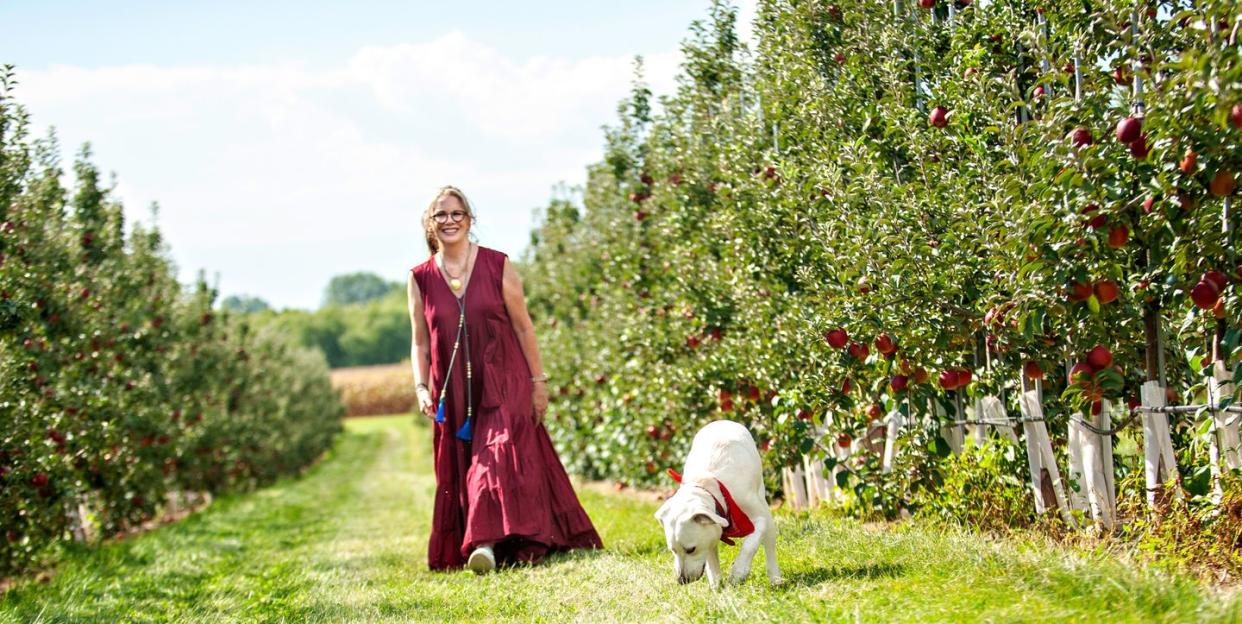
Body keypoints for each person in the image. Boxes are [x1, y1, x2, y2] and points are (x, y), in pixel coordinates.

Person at [407, 185, 603, 573]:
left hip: (504, 378)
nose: (449, 221)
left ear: (470, 220)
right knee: (469, 462)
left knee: (492, 456)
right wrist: (420, 387)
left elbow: (524, 328)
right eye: (440, 215)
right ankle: (521, 538)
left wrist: (538, 381)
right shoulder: (419, 279)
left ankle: (485, 544)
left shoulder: (498, 265)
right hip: (456, 390)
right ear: (430, 225)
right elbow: (419, 342)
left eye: (456, 213)